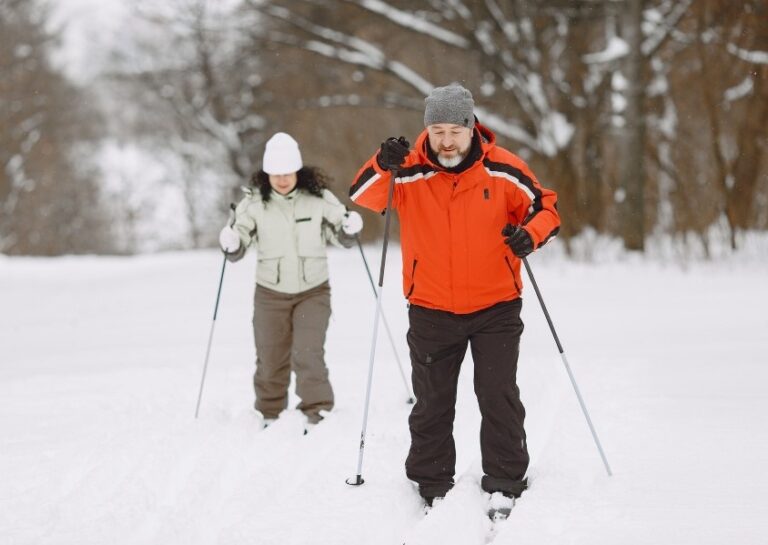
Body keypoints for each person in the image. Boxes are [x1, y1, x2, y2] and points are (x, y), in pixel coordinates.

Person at [349, 85, 560, 508]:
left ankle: (505, 480)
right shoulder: (406, 170)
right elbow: (362, 195)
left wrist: (528, 236)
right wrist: (381, 162)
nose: (445, 140)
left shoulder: (503, 169)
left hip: (496, 305)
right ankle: (431, 483)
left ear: (470, 127)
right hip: (430, 308)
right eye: (437, 130)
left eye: (454, 131)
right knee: (432, 401)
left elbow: (546, 210)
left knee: (497, 395)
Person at [219, 132, 363, 432]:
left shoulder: (319, 198)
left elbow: (340, 230)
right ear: (267, 174)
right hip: (270, 292)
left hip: (313, 290)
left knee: (308, 352)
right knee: (270, 355)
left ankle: (318, 410)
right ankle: (269, 411)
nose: (282, 180)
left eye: (287, 173)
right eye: (275, 174)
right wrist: (232, 242)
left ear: (297, 171)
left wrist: (349, 227)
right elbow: (240, 240)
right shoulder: (255, 204)